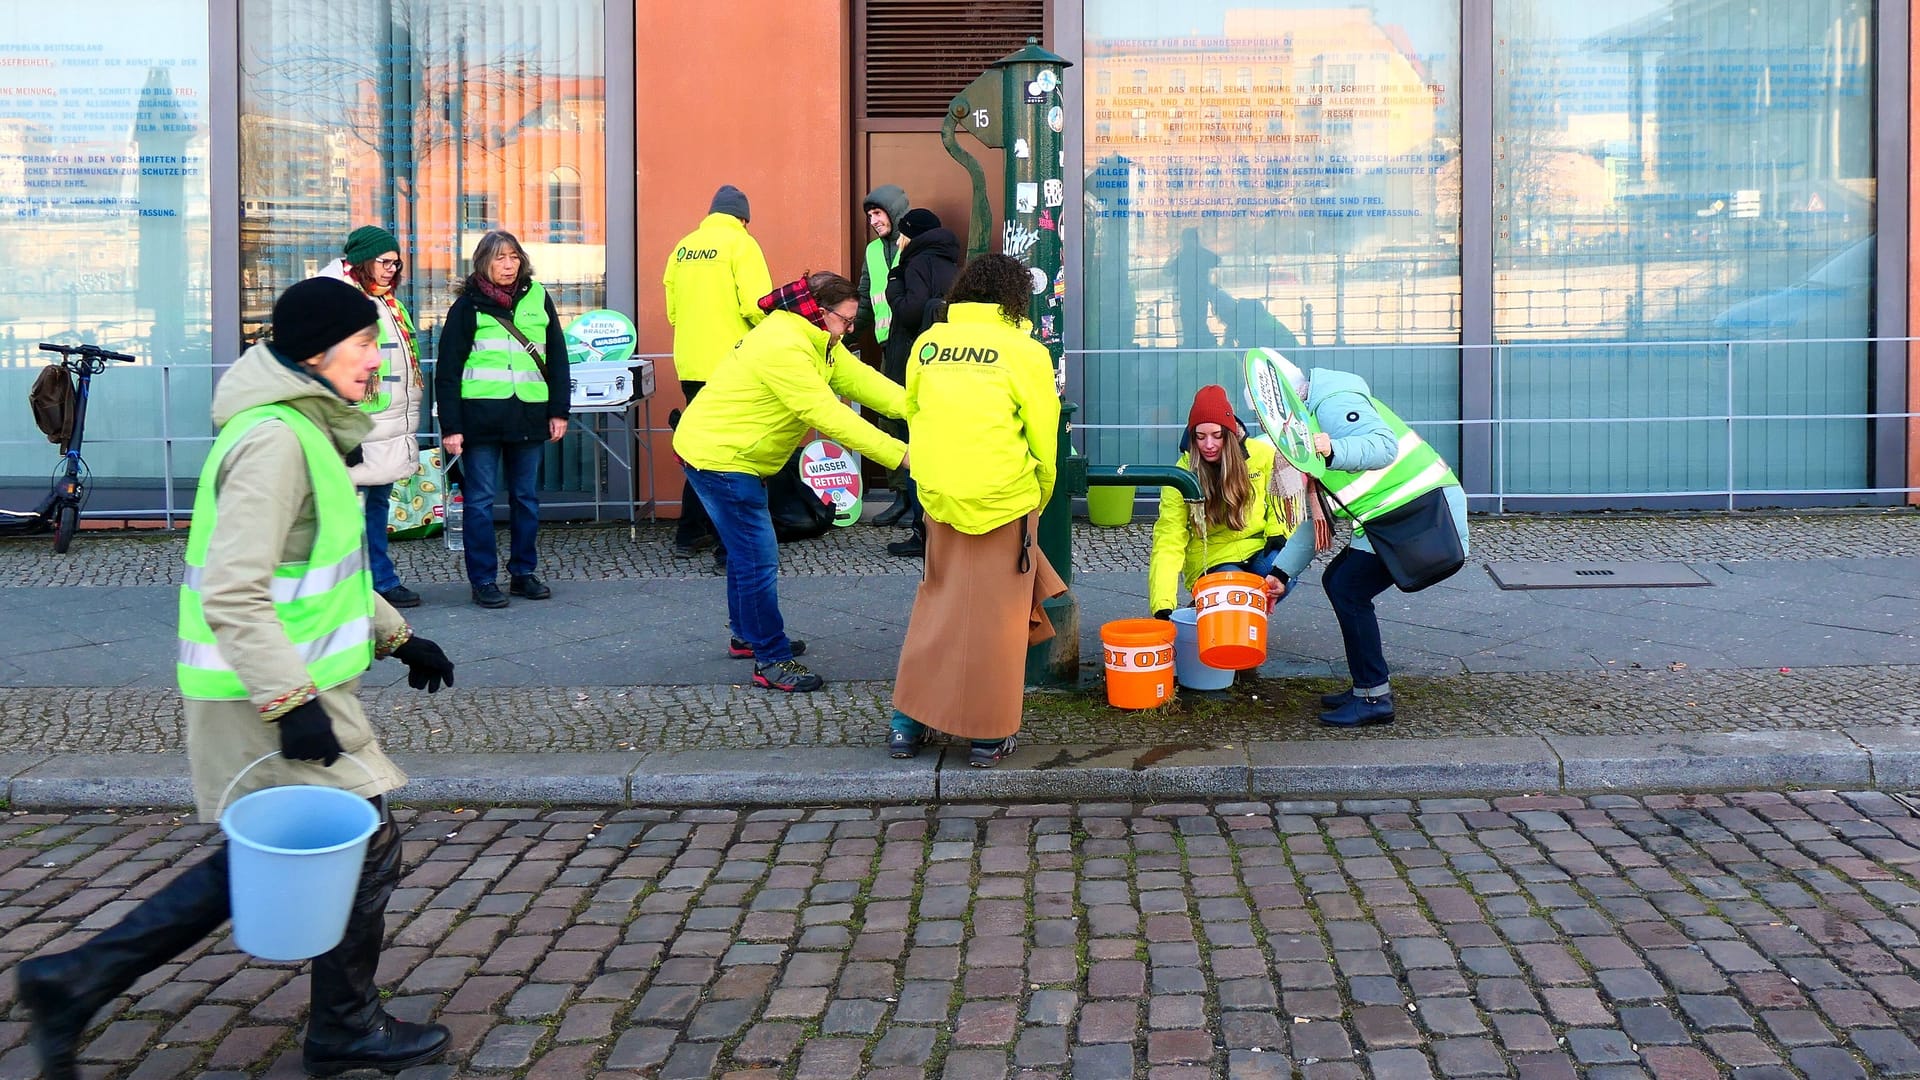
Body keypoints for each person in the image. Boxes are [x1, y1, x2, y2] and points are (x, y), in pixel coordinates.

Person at [14, 277, 458, 1080]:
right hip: (266, 697)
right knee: (360, 845)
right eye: (364, 345)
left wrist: (399, 637)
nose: (375, 364)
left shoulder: (301, 431)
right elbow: (233, 586)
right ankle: (339, 1028)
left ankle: (77, 982)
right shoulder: (275, 441)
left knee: (320, 852)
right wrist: (290, 704)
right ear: (317, 352)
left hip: (289, 688)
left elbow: (322, 569)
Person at [674, 271, 909, 692]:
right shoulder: (784, 346)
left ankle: (748, 636)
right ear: (821, 313)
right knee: (757, 557)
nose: (849, 330)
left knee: (745, 553)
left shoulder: (815, 339)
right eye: (846, 321)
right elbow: (828, 415)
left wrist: (919, 407)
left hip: (729, 454)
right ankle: (771, 659)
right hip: (722, 459)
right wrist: (902, 455)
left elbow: (862, 381)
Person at [888, 254, 1064, 768]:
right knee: (998, 622)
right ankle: (989, 735)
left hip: (940, 498)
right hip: (1003, 499)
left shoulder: (929, 344)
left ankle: (907, 723)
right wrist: (1036, 501)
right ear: (1014, 298)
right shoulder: (1024, 352)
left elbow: (914, 414)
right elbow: (1043, 441)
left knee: (936, 609)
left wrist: (930, 484)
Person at [1260, 352, 1470, 727]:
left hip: (1419, 511)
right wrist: (1280, 573)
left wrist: (1332, 448)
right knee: (1342, 584)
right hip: (1394, 516)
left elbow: (1382, 445)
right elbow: (1317, 519)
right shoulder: (1311, 422)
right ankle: (1366, 689)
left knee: (1347, 588)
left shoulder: (1333, 404)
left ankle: (1374, 696)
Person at [435, 229, 570, 609]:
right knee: (479, 501)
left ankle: (523, 573)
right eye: (499, 258)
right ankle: (483, 580)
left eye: (513, 256)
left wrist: (559, 410)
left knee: (526, 498)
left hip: (529, 413)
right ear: (483, 263)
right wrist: (452, 427)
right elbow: (448, 370)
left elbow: (557, 358)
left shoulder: (538, 297)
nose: (508, 265)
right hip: (480, 418)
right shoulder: (467, 306)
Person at [664, 184, 770, 568]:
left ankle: (690, 532)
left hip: (690, 363)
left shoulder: (684, 246)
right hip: (731, 365)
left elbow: (672, 311)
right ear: (743, 219)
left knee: (699, 448)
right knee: (733, 454)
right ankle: (730, 545)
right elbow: (756, 306)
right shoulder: (741, 244)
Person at [319, 225, 425, 608]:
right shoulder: (339, 298)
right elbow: (326, 366)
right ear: (362, 261)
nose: (391, 270)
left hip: (383, 425)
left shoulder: (387, 301)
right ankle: (354, 583)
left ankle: (377, 580)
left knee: (375, 505)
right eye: (384, 262)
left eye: (396, 264)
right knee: (345, 509)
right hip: (356, 425)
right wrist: (338, 424)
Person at [1148, 384, 1310, 621]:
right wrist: (1163, 605)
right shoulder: (1182, 474)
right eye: (1200, 437)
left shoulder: (1262, 456)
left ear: (1230, 434)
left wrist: (1279, 538)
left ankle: (1230, 615)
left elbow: (1283, 503)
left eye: (1217, 436)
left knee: (1285, 571)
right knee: (1232, 595)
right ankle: (1218, 611)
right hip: (1213, 559)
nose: (1209, 445)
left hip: (1257, 549)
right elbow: (1168, 539)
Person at [881, 207, 961, 558]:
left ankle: (921, 531)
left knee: (914, 450)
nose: (898, 240)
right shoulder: (951, 263)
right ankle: (943, 528)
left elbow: (910, 311)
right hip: (947, 367)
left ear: (911, 235)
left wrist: (893, 284)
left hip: (913, 364)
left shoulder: (913, 263)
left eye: (901, 234)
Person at [856, 183, 914, 525]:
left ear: (894, 212)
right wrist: (846, 332)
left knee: (915, 421)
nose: (873, 221)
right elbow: (866, 297)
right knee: (888, 422)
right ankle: (899, 495)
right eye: (870, 216)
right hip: (886, 349)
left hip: (914, 348)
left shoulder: (915, 246)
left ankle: (918, 496)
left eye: (878, 213)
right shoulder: (873, 251)